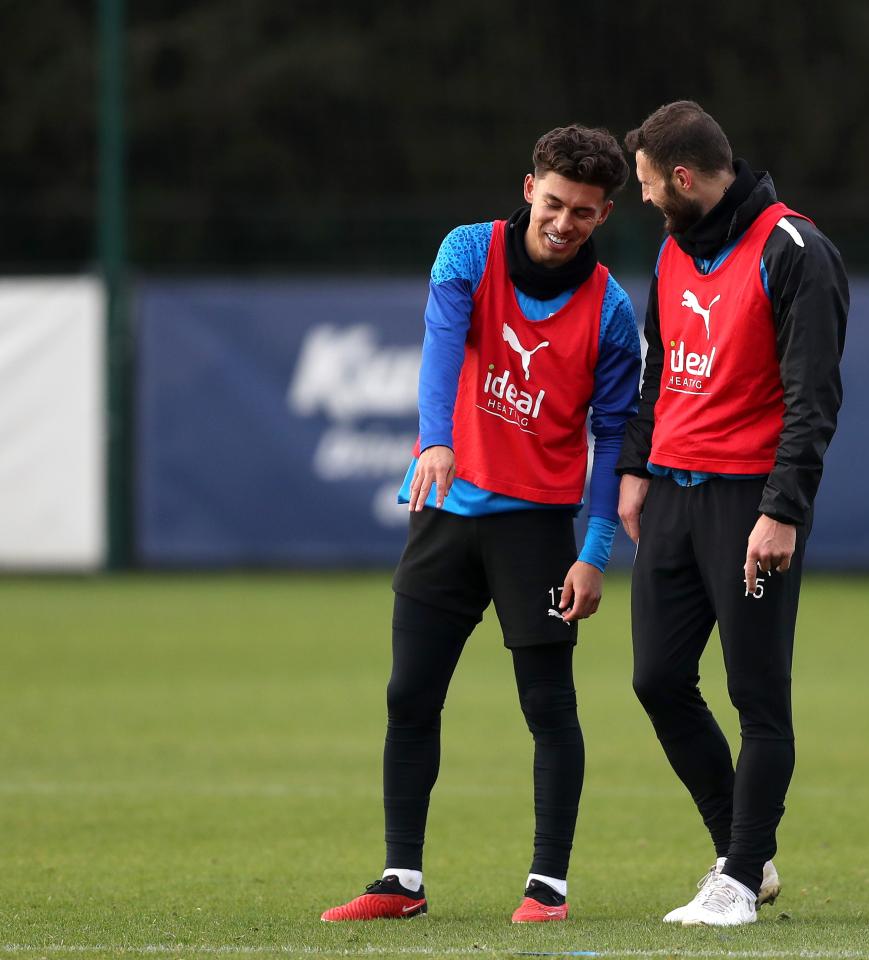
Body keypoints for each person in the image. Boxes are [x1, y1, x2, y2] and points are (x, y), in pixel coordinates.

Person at [321, 125, 639, 925]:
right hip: (447, 515)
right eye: (556, 203)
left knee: (548, 706)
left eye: (586, 213)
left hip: (535, 531)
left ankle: (548, 888)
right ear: (529, 187)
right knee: (409, 694)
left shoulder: (610, 310)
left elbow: (614, 439)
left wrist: (594, 553)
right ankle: (401, 880)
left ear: (604, 217)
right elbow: (439, 345)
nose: (565, 223)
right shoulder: (468, 250)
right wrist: (436, 441)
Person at [617, 101, 848, 927]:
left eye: (647, 184)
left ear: (684, 177)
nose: (642, 199)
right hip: (672, 497)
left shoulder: (796, 252)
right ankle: (740, 849)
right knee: (656, 680)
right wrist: (637, 466)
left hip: (751, 502)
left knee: (758, 698)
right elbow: (658, 372)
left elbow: (812, 398)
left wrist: (782, 510)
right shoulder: (675, 248)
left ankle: (740, 879)